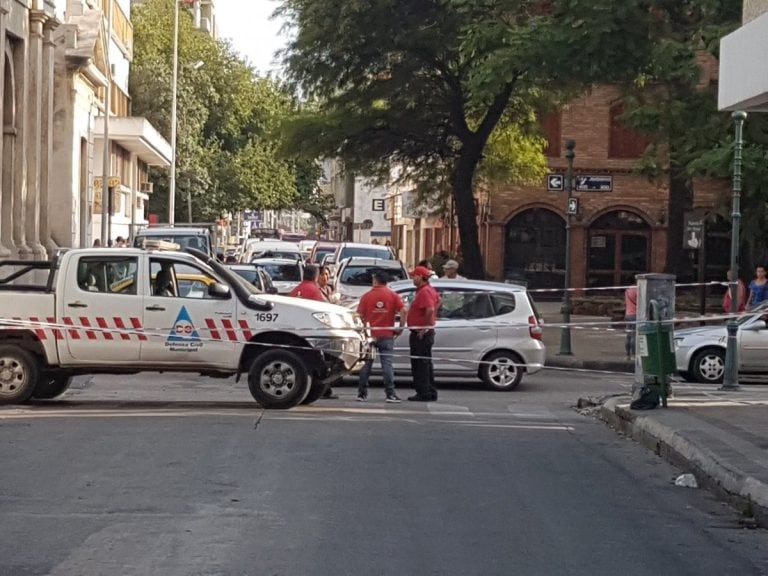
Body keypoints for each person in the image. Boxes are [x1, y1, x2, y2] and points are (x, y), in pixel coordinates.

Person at [289, 264, 339, 399]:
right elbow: (326, 310)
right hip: (314, 334)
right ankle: (324, 390)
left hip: (295, 333)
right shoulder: (315, 291)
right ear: (316, 276)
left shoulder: (296, 290)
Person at [356, 271, 406, 403]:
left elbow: (359, 315)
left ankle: (362, 393)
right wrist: (400, 328)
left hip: (370, 335)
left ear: (375, 281)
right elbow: (404, 310)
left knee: (366, 364)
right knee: (387, 365)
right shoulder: (393, 295)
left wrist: (362, 330)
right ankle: (390, 393)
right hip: (387, 334)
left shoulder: (366, 296)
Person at [406, 265, 439, 401]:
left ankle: (423, 392)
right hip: (425, 331)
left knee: (420, 364)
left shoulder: (424, 291)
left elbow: (430, 309)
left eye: (414, 276)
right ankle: (429, 390)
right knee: (425, 363)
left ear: (420, 277)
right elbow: (438, 302)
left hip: (421, 333)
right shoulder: (429, 290)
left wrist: (423, 326)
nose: (413, 278)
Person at [624, 284, 638, 360]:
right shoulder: (637, 290)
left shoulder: (627, 290)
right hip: (635, 314)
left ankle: (627, 354)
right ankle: (633, 354)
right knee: (634, 335)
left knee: (628, 335)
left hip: (628, 314)